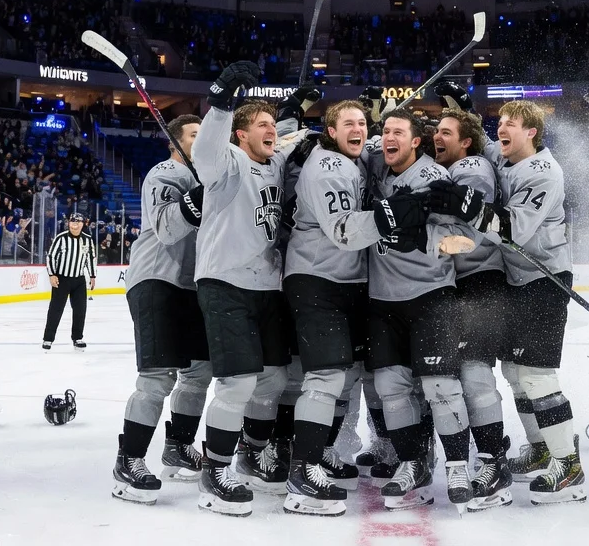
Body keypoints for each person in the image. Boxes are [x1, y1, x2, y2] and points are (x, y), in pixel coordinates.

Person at [281, 99, 425, 515]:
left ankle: (323, 456)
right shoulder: (328, 167)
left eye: (362, 122)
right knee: (325, 377)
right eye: (348, 123)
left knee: (347, 378)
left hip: (350, 283)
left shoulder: (355, 158)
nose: (358, 129)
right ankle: (302, 473)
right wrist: (398, 213)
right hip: (318, 280)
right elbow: (345, 230)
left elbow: (388, 149)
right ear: (330, 130)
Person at [189, 61, 311, 517]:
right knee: (238, 382)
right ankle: (215, 470)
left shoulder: (274, 156)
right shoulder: (228, 162)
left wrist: (295, 110)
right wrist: (220, 101)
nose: (269, 131)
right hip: (225, 282)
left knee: (275, 378)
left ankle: (252, 452)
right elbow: (204, 151)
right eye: (260, 125)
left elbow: (289, 137)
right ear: (240, 135)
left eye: (270, 126)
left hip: (266, 286)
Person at [361, 107, 475, 511]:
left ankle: (458, 464)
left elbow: (462, 238)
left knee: (440, 386)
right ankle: (412, 463)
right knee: (390, 388)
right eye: (385, 131)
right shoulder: (376, 165)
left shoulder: (433, 178)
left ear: (415, 142)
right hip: (382, 298)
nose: (389, 138)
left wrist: (420, 238)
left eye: (399, 132)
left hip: (430, 295)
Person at [114, 114, 213, 505]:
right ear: (176, 143)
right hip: (156, 279)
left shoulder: (211, 175)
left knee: (199, 371)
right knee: (157, 376)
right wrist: (201, 194)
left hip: (192, 285)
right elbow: (169, 229)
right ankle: (130, 459)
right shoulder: (165, 171)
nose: (203, 143)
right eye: (195, 136)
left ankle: (178, 446)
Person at [428, 98, 514, 510]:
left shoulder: (472, 168)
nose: (436, 137)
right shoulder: (449, 167)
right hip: (456, 283)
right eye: (435, 130)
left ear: (465, 143)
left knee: (476, 374)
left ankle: (494, 462)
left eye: (445, 132)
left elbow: (471, 231)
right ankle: (485, 455)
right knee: (452, 375)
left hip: (480, 280)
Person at [42, 212, 98, 350]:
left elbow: (90, 258)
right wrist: (52, 274)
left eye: (78, 222)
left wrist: (92, 276)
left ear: (83, 224)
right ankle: (48, 339)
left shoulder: (87, 239)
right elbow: (51, 257)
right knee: (55, 309)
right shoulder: (60, 238)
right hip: (62, 279)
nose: (75, 225)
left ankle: (77, 337)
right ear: (68, 223)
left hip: (79, 280)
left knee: (80, 310)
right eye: (73, 222)